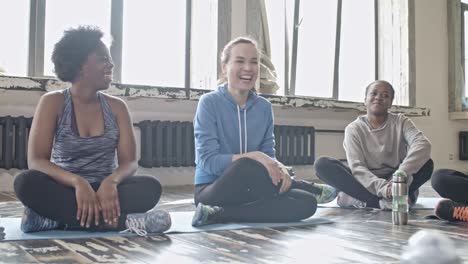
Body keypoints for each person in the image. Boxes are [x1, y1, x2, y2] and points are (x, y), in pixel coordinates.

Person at [13, 26, 171, 235]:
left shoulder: (117, 107)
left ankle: (55, 220)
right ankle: (123, 223)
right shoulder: (53, 102)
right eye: (103, 59)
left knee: (151, 187)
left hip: (106, 190)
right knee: (25, 183)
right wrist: (77, 182)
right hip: (66, 188)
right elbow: (37, 161)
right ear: (80, 65)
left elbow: (129, 162)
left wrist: (110, 182)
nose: (111, 64)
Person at [191, 36, 337, 227]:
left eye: (254, 62)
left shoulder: (264, 107)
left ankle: (220, 214)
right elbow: (208, 162)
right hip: (213, 190)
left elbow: (269, 158)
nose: (248, 68)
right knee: (246, 165)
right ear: (224, 67)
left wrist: (280, 169)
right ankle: (298, 184)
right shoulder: (209, 103)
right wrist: (256, 156)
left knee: (307, 203)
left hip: (251, 188)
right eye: (240, 61)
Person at [314, 80, 433, 209]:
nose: (378, 97)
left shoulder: (401, 121)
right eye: (374, 93)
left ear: (390, 103)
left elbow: (422, 144)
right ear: (365, 99)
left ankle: (358, 199)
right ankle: (384, 201)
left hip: (396, 178)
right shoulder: (353, 129)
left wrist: (400, 175)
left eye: (385, 95)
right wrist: (384, 189)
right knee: (322, 164)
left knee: (427, 164)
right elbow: (357, 168)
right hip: (365, 180)